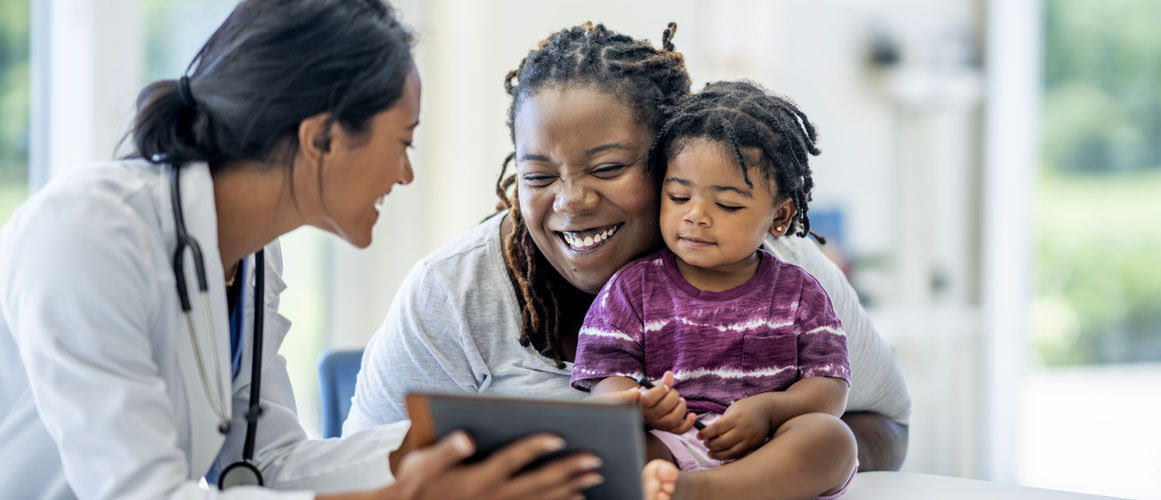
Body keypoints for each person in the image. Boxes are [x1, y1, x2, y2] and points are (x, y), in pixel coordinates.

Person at [0, 1, 603, 499]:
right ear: (321, 137)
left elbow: (268, 464)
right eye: (403, 141)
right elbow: (142, 494)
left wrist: (505, 438)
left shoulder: (254, 254)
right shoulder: (87, 231)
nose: (404, 175)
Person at [345, 20, 912, 491]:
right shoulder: (453, 291)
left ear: (673, 160)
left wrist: (764, 457)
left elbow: (885, 424)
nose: (571, 201)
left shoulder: (782, 271)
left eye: (609, 168)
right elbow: (361, 475)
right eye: (538, 175)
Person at [572, 80, 858, 500]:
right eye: (678, 195)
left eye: (727, 205)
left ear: (779, 217)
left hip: (769, 449)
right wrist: (638, 404)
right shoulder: (631, 290)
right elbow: (604, 381)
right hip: (669, 444)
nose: (696, 216)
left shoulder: (800, 294)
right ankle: (681, 485)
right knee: (597, 444)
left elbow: (829, 387)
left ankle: (704, 490)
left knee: (832, 439)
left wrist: (771, 409)